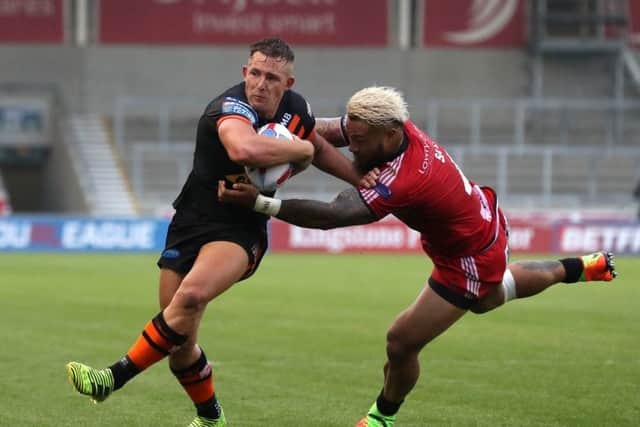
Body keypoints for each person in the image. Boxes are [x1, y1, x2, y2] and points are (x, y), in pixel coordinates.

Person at [218, 85, 618, 427]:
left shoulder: (405, 179)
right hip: (480, 221)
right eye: (351, 137)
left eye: (359, 142)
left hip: (469, 257)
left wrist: (262, 204)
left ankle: (380, 417)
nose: (352, 147)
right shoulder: (389, 124)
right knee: (491, 298)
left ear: (390, 137)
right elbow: (328, 130)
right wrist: (282, 131)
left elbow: (335, 215)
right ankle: (581, 267)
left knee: (401, 341)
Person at [65, 38, 363, 427]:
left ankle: (111, 378)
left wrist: (360, 179)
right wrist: (300, 153)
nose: (260, 83)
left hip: (240, 228)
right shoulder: (228, 108)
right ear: (244, 73)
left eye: (271, 77)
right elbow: (244, 150)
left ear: (287, 83)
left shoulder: (297, 109)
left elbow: (317, 144)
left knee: (189, 298)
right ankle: (211, 419)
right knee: (180, 343)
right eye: (254, 73)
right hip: (190, 221)